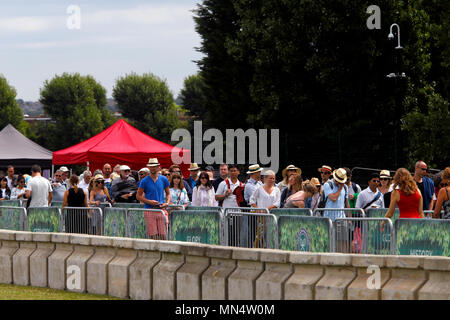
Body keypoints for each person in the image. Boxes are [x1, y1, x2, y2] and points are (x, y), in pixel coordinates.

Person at [136, 158, 171, 239]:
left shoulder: (164, 179)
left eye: (154, 166)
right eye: (151, 167)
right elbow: (138, 196)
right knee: (153, 236)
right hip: (149, 210)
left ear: (158, 167)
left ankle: (163, 251)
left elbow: (168, 193)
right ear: (148, 168)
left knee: (163, 235)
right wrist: (149, 202)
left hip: (161, 209)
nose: (153, 168)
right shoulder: (144, 181)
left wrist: (167, 203)